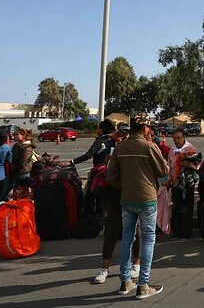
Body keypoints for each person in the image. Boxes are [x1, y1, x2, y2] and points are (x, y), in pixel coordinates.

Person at [105, 117, 169, 299]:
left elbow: (110, 177)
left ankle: (125, 282)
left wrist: (125, 186)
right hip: (147, 199)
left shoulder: (120, 148)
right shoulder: (149, 147)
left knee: (127, 238)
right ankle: (143, 284)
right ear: (144, 128)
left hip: (127, 199)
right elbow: (164, 171)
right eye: (148, 126)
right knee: (149, 239)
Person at [91, 129, 141, 285]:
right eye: (120, 136)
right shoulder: (113, 151)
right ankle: (105, 268)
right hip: (115, 196)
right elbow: (109, 174)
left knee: (135, 230)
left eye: (125, 136)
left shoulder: (135, 151)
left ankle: (136, 264)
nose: (122, 139)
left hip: (132, 195)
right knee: (111, 231)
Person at [64, 119, 118, 221]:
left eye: (98, 128)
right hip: (110, 172)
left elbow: (89, 155)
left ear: (101, 130)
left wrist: (72, 162)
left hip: (98, 174)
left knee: (90, 196)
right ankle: (101, 221)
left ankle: (92, 220)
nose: (97, 130)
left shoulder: (100, 140)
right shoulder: (114, 140)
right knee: (103, 199)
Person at [9, 128, 38, 194]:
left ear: (23, 136)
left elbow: (23, 162)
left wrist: (13, 167)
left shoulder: (27, 148)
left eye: (17, 134)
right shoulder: (16, 145)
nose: (15, 136)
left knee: (21, 192)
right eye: (14, 134)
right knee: (15, 192)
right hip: (15, 171)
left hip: (22, 172)